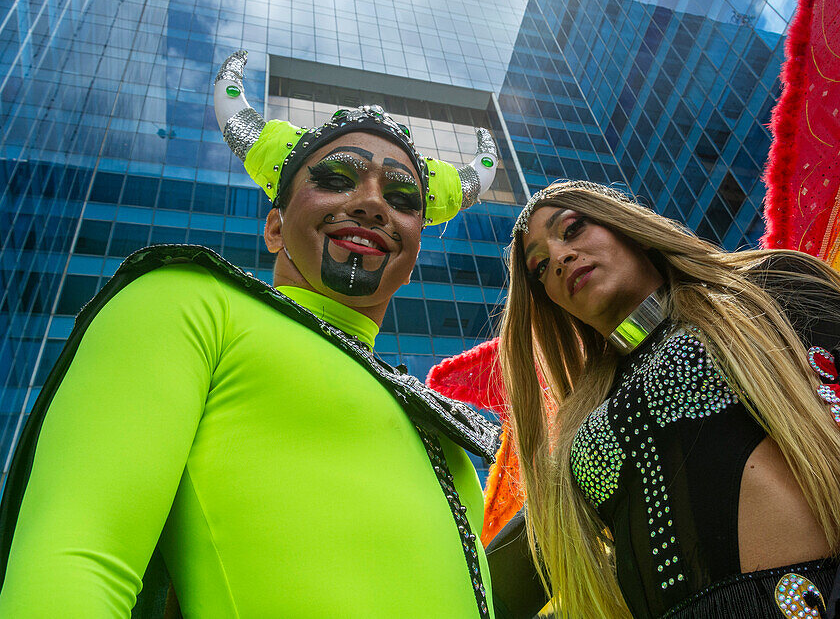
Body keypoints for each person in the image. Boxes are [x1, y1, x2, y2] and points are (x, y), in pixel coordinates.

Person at [0, 51, 502, 618]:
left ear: (413, 248)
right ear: (274, 226)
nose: (371, 203)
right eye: (337, 180)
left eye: (402, 198)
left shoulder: (434, 421)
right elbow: (75, 557)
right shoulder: (188, 301)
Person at [485, 180, 840, 619]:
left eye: (571, 229)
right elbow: (503, 583)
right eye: (541, 267)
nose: (561, 257)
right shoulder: (579, 425)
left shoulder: (767, 289)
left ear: (626, 224)